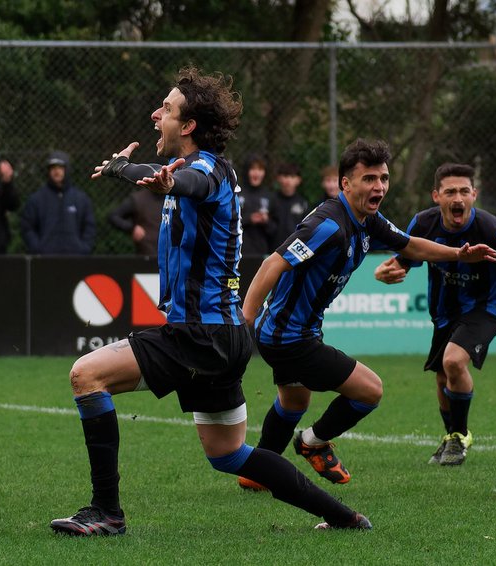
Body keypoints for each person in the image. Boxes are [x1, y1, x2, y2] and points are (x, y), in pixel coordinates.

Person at [50, 67, 372, 536]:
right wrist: (127, 170)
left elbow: (191, 184)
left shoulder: (206, 169)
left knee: (87, 374)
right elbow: (170, 179)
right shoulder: (195, 169)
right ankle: (345, 517)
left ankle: (107, 512)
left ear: (188, 127)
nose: (155, 113)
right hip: (223, 336)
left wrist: (161, 182)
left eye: (167, 108)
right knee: (230, 455)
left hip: (201, 335)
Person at [238, 140, 496, 491]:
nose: (379, 187)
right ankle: (312, 443)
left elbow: (410, 245)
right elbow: (273, 263)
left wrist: (458, 254)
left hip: (294, 332)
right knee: (370, 391)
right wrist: (244, 320)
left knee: (294, 401)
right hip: (288, 337)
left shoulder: (368, 220)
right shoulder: (330, 224)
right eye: (369, 179)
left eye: (384, 178)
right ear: (346, 184)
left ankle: (257, 473)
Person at [374, 163, 496, 466]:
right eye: (450, 191)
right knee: (441, 378)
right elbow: (408, 260)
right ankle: (451, 437)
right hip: (444, 311)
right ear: (436, 196)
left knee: (453, 361)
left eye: (464, 191)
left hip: (488, 307)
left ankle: (460, 436)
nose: (458, 198)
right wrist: (388, 271)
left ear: (474, 194)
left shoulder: (495, 232)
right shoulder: (422, 224)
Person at [20, 150, 96, 255]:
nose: (56, 171)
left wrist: (83, 248)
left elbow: (89, 226)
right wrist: (38, 248)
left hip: (75, 259)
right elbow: (27, 227)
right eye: (53, 168)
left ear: (67, 170)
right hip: (46, 260)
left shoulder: (81, 199)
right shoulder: (36, 199)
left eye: (60, 168)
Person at [238, 153, 276, 258]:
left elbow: (275, 229)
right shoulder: (237, 193)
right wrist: (249, 219)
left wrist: (266, 221)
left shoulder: (270, 196)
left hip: (262, 252)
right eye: (253, 169)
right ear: (247, 171)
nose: (256, 173)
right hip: (239, 251)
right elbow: (228, 222)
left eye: (260, 169)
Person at [107, 187, 163, 256]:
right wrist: (132, 228)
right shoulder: (138, 199)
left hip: (170, 253)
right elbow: (113, 216)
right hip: (147, 252)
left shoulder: (173, 197)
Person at [268, 162, 310, 246]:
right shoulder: (271, 200)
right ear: (279, 178)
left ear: (298, 180)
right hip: (273, 248)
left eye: (292, 177)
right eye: (285, 176)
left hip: (295, 248)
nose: (288, 180)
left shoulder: (303, 203)